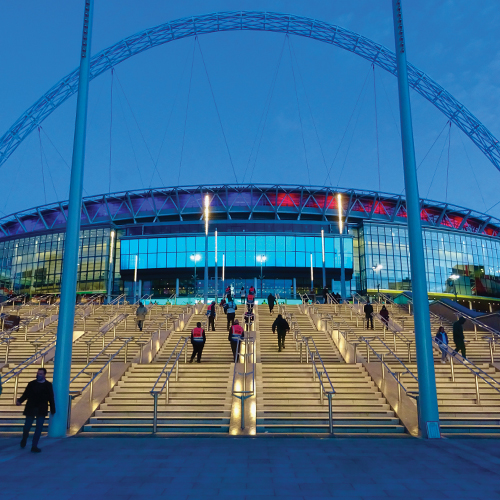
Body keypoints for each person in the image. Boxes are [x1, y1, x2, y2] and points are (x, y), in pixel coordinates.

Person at [16, 367, 55, 453]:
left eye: (40, 374)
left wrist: (53, 409)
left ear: (44, 375)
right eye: (38, 373)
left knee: (39, 428)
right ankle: (24, 438)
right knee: (27, 426)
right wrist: (20, 400)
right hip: (31, 407)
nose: (38, 375)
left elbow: (51, 397)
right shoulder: (31, 384)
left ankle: (34, 445)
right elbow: (26, 394)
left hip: (41, 408)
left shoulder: (48, 385)